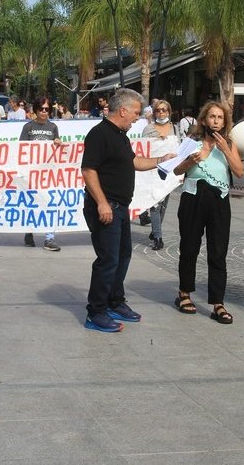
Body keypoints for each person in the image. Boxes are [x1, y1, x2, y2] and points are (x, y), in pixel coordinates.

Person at [81, 88, 174, 333]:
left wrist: (160, 160)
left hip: (121, 207)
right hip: (106, 207)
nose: (138, 117)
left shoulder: (121, 135)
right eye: (135, 112)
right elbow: (88, 171)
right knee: (107, 260)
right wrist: (101, 202)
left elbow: (133, 161)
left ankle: (115, 301)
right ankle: (96, 311)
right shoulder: (99, 134)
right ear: (122, 110)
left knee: (123, 257)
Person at [171, 101, 244, 324]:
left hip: (219, 199)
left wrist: (225, 151)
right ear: (204, 119)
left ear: (225, 122)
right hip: (193, 196)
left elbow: (239, 172)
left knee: (218, 251)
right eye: (212, 116)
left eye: (220, 118)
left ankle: (218, 302)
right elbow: (176, 169)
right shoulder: (192, 142)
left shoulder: (229, 143)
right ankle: (184, 293)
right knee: (190, 247)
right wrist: (190, 161)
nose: (215, 121)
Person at [19, 96, 63, 252]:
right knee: (31, 204)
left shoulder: (53, 127)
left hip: (47, 174)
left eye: (47, 109)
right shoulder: (28, 127)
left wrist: (57, 142)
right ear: (35, 110)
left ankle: (49, 238)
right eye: (41, 109)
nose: (44, 112)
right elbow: (21, 149)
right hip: (31, 173)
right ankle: (29, 231)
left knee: (49, 203)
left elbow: (57, 145)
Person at [141, 99, 181, 250]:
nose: (161, 112)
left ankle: (155, 229)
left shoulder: (175, 129)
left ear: (169, 112)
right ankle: (158, 237)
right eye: (158, 110)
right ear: (154, 112)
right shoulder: (148, 130)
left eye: (164, 110)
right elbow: (143, 151)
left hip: (170, 173)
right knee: (155, 204)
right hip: (153, 171)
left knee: (163, 205)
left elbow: (179, 150)